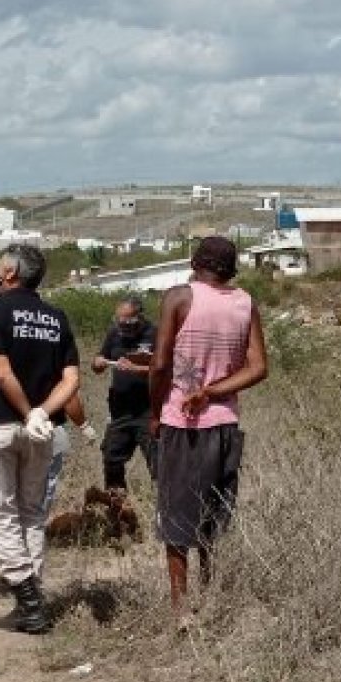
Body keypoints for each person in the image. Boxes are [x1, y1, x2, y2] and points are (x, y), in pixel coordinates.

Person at [149, 236, 268, 628]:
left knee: (176, 517)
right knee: (213, 516)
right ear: (230, 268)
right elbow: (258, 368)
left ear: (195, 263)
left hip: (182, 421)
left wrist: (155, 412)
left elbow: (161, 362)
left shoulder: (178, 298)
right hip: (226, 424)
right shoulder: (245, 303)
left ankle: (182, 611)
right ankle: (212, 597)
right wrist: (214, 391)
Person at [0, 244, 80, 634]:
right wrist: (42, 412)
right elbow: (71, 380)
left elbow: (2, 373)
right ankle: (32, 594)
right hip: (43, 431)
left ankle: (26, 594)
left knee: (0, 511)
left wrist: (25, 411)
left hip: (4, 425)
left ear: (9, 273)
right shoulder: (56, 317)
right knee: (31, 513)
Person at [90, 296, 157, 495]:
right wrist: (98, 363)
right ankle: (118, 505)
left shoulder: (155, 334)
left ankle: (164, 510)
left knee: (158, 462)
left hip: (149, 411)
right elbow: (97, 363)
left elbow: (166, 371)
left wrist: (138, 368)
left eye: (128, 320)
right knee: (111, 457)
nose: (123, 325)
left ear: (139, 316)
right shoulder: (114, 334)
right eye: (119, 320)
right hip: (120, 411)